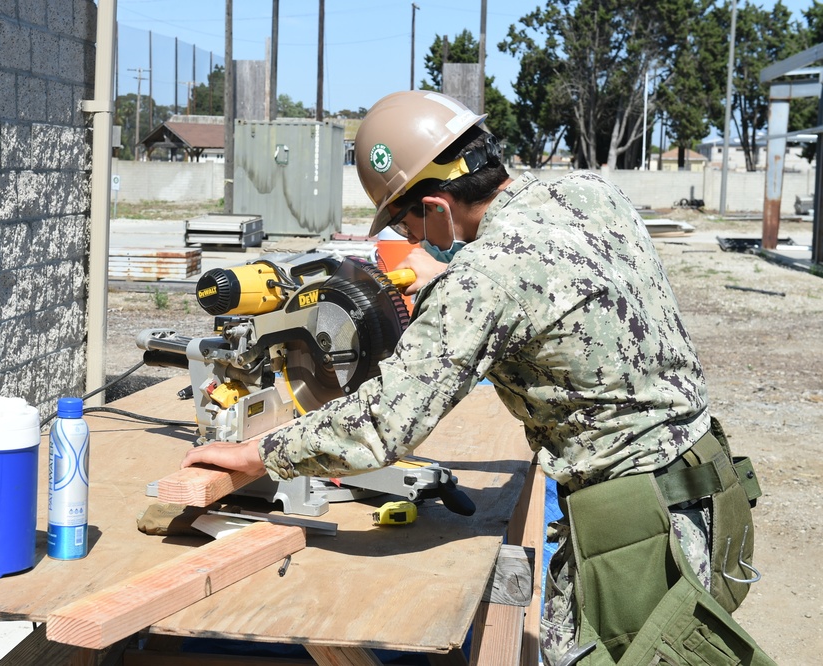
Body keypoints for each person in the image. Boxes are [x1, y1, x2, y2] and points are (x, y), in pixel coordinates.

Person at [182, 90, 771, 665]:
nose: (409, 241)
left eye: (407, 225)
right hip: (709, 491)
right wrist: (445, 277)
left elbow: (382, 427)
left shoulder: (486, 278)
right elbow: (554, 297)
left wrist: (258, 455)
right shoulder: (590, 192)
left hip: (638, 532)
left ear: (437, 206)